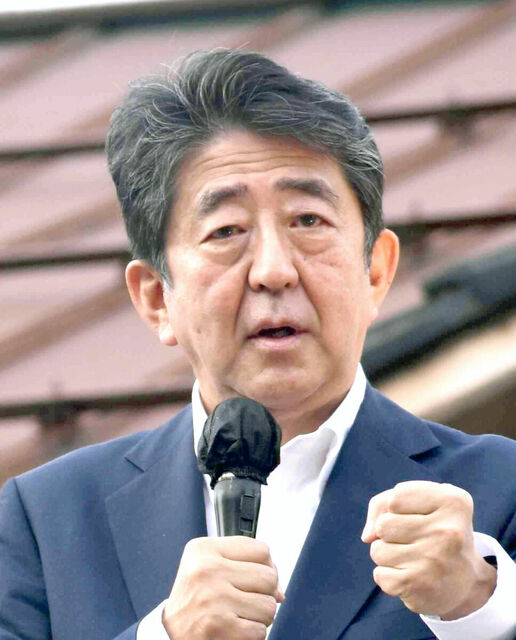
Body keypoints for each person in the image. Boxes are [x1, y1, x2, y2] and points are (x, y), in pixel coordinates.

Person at [0, 49, 515, 640]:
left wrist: (477, 604)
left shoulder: (499, 491)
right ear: (156, 298)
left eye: (308, 221)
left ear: (375, 271)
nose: (273, 270)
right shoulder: (46, 521)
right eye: (226, 231)